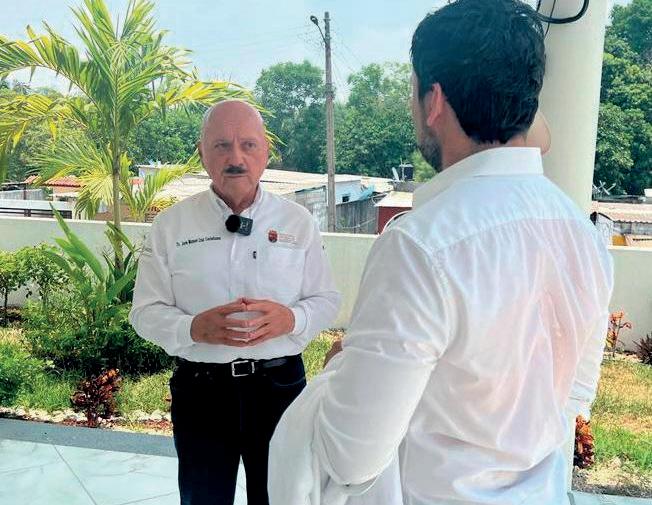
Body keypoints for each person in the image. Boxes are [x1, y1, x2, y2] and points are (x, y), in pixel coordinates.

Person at [269, 1, 613, 504]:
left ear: (433, 100)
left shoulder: (420, 245)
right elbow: (575, 397)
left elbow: (351, 456)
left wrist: (340, 371)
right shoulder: (584, 235)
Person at [129, 100, 341, 505]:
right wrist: (192, 328)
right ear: (202, 152)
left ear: (266, 151)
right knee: (203, 498)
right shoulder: (171, 225)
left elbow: (327, 299)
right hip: (202, 390)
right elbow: (144, 312)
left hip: (280, 388)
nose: (236, 158)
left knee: (282, 497)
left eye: (248, 145)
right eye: (222, 145)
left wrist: (292, 319)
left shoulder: (297, 222)